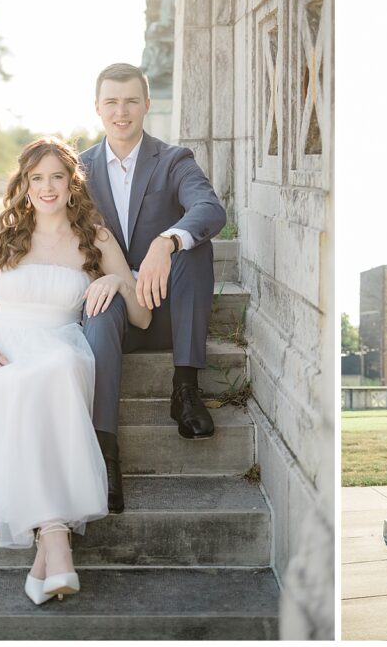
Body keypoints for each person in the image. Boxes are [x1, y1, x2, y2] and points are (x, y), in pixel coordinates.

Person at [0, 137, 152, 605]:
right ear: (24, 183)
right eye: (37, 178)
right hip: (3, 351)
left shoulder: (95, 238)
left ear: (72, 183)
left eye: (57, 176)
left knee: (56, 369)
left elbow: (141, 317)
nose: (47, 187)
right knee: (24, 380)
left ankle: (50, 547)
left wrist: (118, 280)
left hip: (61, 346)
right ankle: (53, 548)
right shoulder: (1, 237)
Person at [79, 63, 226, 514]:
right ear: (97, 108)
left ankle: (185, 389)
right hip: (110, 312)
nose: (121, 112)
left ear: (146, 104)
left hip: (163, 307)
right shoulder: (79, 169)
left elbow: (209, 208)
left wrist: (167, 241)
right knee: (100, 306)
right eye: (111, 102)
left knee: (193, 247)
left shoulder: (174, 160)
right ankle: (104, 457)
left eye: (130, 101)